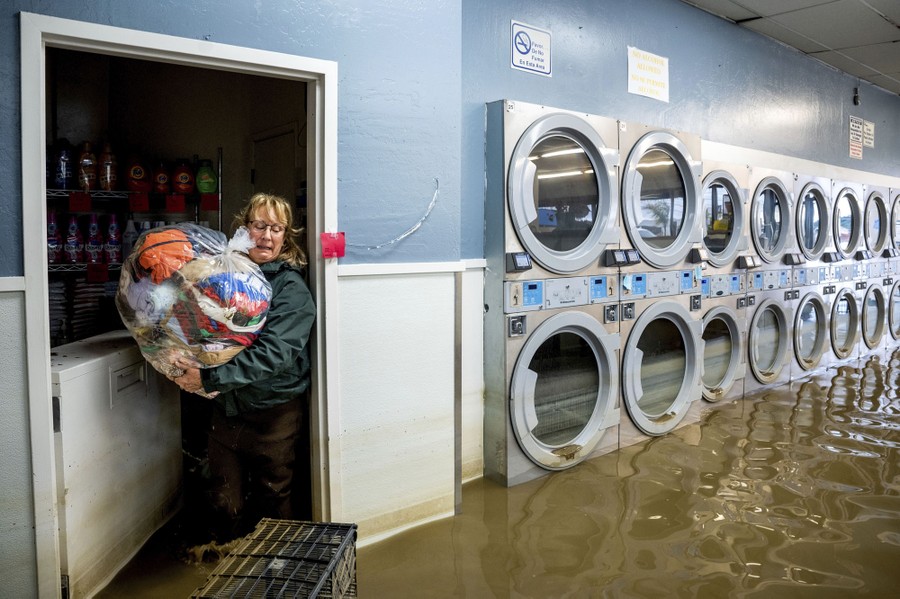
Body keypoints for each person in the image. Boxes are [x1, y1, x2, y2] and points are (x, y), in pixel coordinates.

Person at [172, 192, 315, 541]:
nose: (267, 235)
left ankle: (278, 571)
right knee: (223, 500)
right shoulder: (222, 276)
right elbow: (197, 327)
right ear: (244, 229)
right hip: (225, 409)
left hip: (273, 413)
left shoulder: (290, 289)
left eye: (276, 228)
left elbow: (274, 354)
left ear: (286, 236)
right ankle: (227, 568)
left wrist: (208, 378)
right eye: (259, 225)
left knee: (273, 497)